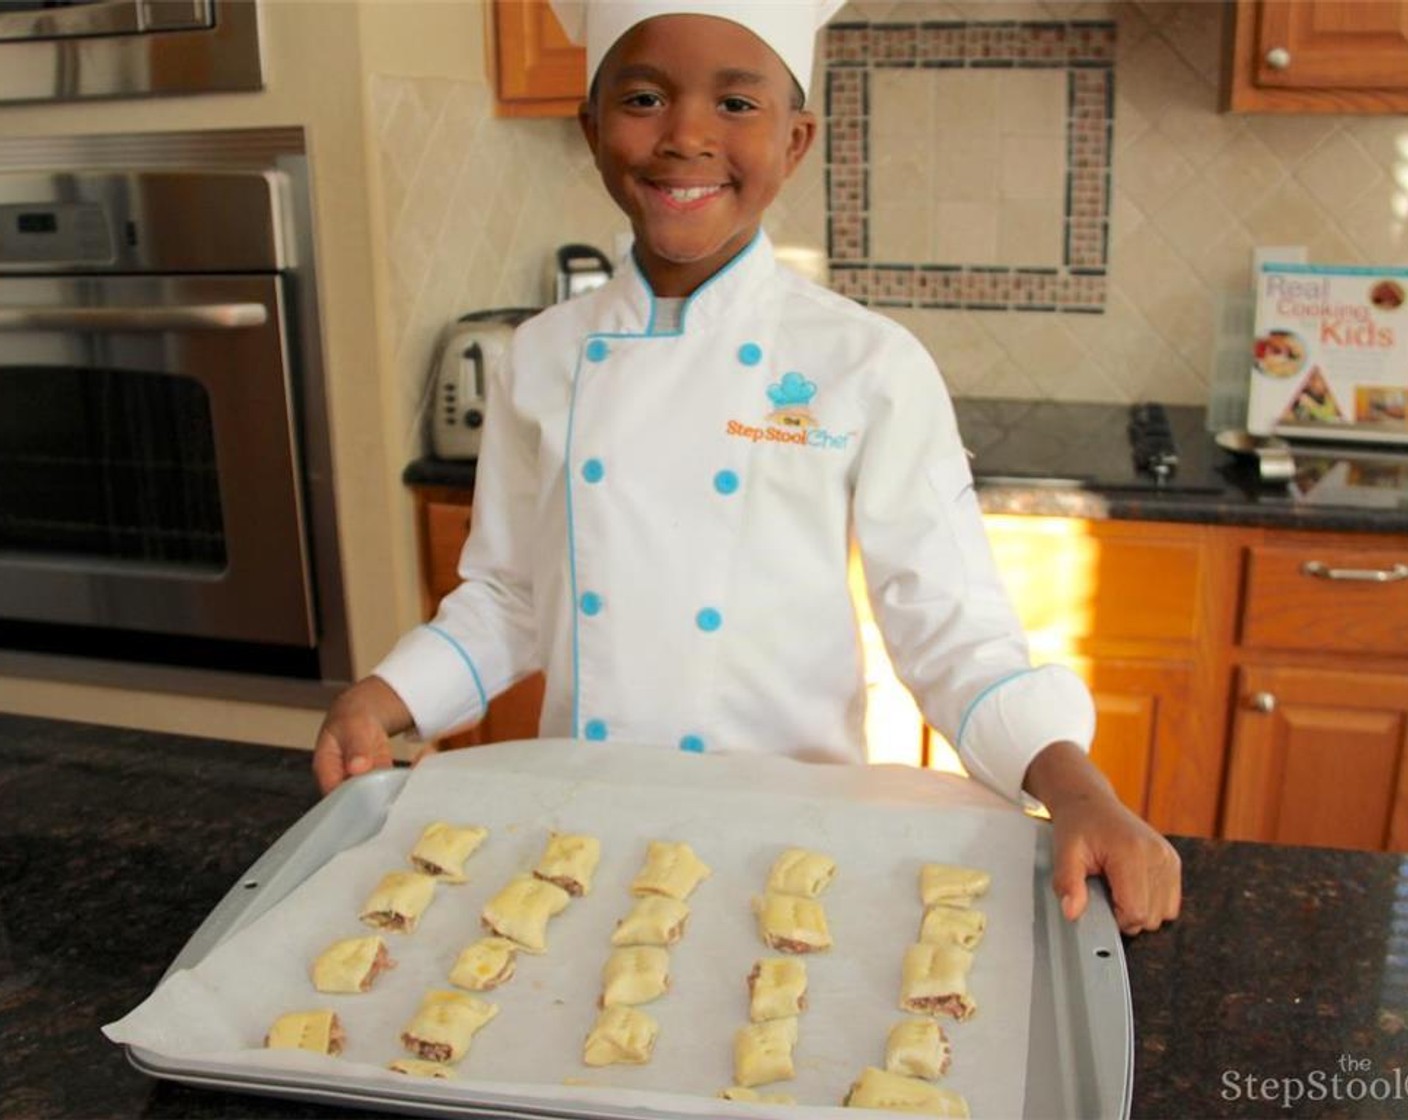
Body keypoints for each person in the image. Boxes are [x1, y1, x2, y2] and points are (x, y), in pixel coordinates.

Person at [313, 0, 1180, 936]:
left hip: (793, 844)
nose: (685, 137)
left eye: (737, 104)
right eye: (643, 97)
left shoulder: (868, 365)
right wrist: (386, 695)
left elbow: (950, 629)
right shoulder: (543, 356)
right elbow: (514, 597)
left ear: (797, 139)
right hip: (579, 834)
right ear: (592, 127)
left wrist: (1078, 790)